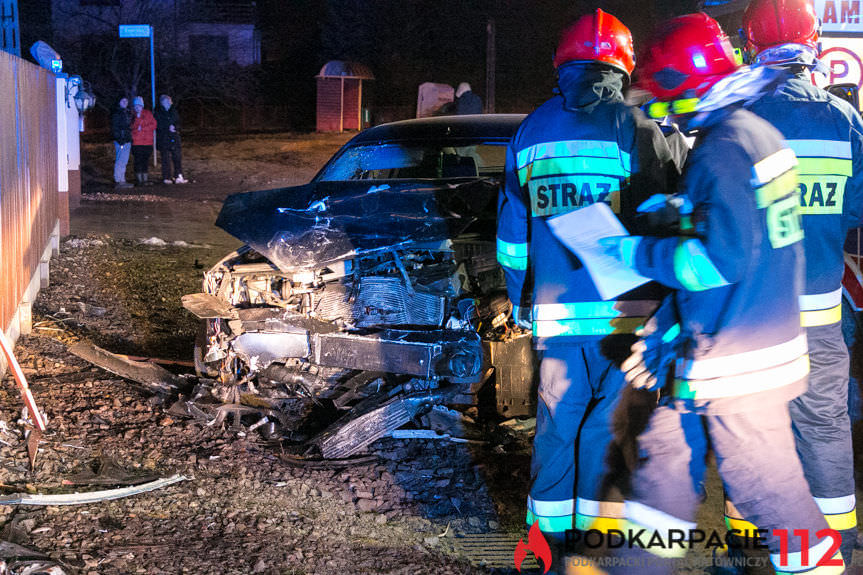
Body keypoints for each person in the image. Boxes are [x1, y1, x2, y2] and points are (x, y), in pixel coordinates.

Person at [602, 13, 841, 573]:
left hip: (739, 365)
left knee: (769, 493)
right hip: (728, 342)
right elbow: (751, 232)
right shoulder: (756, 133)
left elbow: (719, 259)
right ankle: (639, 565)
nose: (662, 114)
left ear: (687, 89)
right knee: (663, 462)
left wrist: (634, 253)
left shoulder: (723, 147)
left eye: (665, 101)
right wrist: (679, 216)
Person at [496, 9, 679, 571]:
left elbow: (511, 233)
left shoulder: (531, 130)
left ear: (563, 63)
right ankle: (595, 551)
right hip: (625, 320)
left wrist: (520, 298)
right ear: (621, 65)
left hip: (555, 318)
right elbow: (665, 224)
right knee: (609, 432)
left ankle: (545, 550)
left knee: (555, 432)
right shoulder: (638, 127)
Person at [737, 0, 863, 561]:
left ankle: (744, 546)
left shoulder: (734, 120)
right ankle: (836, 541)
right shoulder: (845, 121)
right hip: (818, 315)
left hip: (749, 318)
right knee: (824, 425)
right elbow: (855, 210)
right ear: (814, 47)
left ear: (749, 46)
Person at [154, 94, 187, 184]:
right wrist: (167, 127)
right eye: (165, 101)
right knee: (166, 158)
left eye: (169, 101)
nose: (168, 103)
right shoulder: (158, 112)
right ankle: (166, 177)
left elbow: (179, 123)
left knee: (177, 157)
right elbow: (157, 125)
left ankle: (178, 176)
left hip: (174, 138)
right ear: (161, 103)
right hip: (164, 138)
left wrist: (175, 127)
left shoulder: (174, 111)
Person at [130, 96, 156, 186]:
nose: (137, 108)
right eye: (136, 106)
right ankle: (139, 180)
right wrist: (137, 127)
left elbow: (154, 125)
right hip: (136, 143)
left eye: (139, 106)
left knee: (145, 161)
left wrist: (143, 128)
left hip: (147, 143)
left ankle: (145, 179)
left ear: (142, 106)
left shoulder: (148, 113)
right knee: (138, 161)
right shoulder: (132, 115)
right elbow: (131, 128)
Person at [111, 97, 133, 188]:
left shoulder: (126, 112)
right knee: (120, 160)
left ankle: (122, 179)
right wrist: (120, 138)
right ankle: (118, 180)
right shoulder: (117, 113)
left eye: (126, 101)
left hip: (126, 139)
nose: (125, 102)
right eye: (123, 100)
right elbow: (115, 127)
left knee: (124, 160)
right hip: (121, 140)